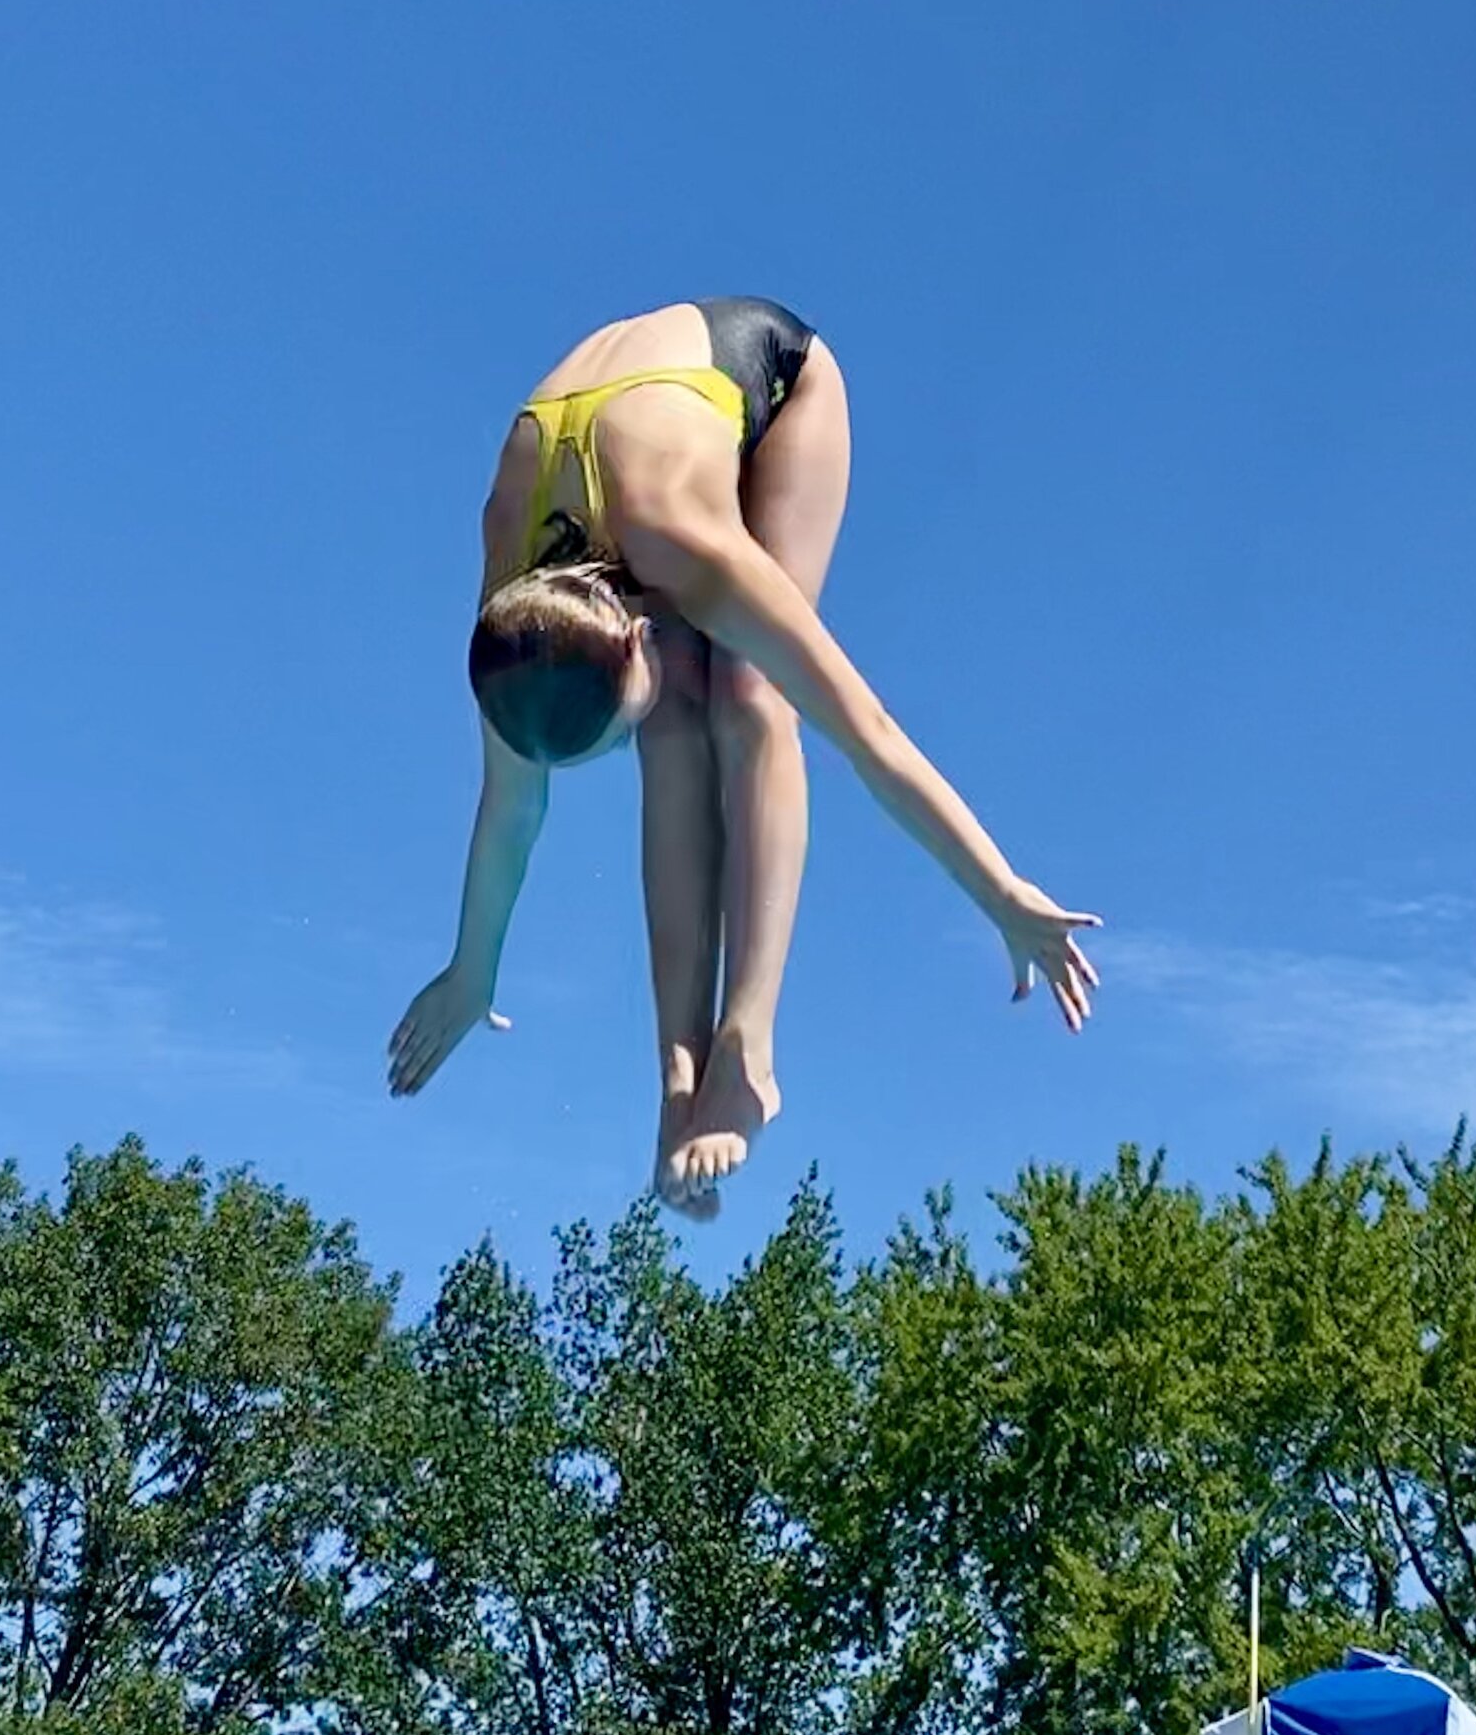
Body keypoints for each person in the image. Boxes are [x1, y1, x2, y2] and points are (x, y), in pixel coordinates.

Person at [388, 296, 1097, 1214]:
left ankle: (747, 1052)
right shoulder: (515, 632)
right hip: (607, 439)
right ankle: (678, 1079)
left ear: (637, 632)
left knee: (750, 694)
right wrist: (470, 970)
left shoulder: (697, 549)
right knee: (675, 720)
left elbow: (868, 735)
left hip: (773, 380)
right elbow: (510, 812)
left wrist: (1002, 893)